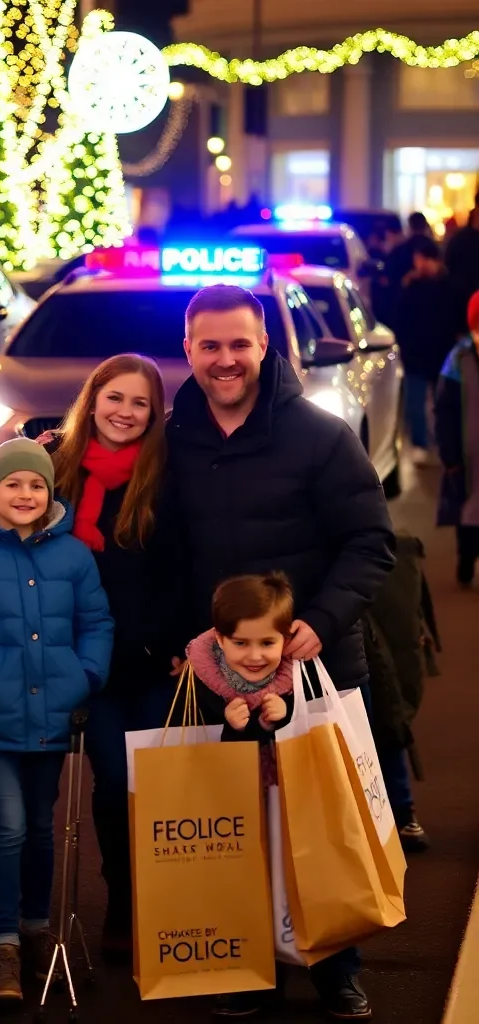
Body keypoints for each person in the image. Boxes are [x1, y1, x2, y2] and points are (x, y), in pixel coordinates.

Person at [167, 283, 396, 1020]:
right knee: (228, 832)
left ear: (266, 346)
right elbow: (151, 546)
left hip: (314, 669)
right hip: (214, 678)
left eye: (240, 344)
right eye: (211, 345)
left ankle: (337, 967)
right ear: (189, 350)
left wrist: (322, 621)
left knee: (321, 825)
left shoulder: (321, 436)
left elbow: (371, 542)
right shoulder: (169, 442)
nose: (226, 359)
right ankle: (240, 962)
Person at [0, 438, 114, 1005]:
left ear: (50, 492)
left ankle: (38, 927)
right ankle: (4, 944)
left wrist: (86, 675)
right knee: (6, 826)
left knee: (42, 825)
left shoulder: (73, 556)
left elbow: (97, 622)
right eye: (13, 484)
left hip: (54, 710)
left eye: (36, 484)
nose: (26, 494)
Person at [37, 353, 181, 962]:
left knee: (150, 788)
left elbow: (181, 567)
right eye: (115, 398)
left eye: (140, 403)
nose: (125, 412)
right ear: (92, 400)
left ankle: (152, 903)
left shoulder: (165, 477)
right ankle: (121, 902)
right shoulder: (56, 470)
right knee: (114, 779)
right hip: (83, 664)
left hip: (147, 658)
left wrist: (173, 640)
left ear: (154, 414)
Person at [187, 572, 296, 767]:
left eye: (267, 643)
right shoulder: (201, 684)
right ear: (220, 640)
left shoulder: (296, 681)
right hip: (227, 792)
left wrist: (283, 718)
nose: (255, 656)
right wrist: (232, 728)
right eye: (240, 643)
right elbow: (196, 752)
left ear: (285, 641)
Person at [394, 237, 469, 463]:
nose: (420, 265)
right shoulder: (412, 287)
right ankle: (421, 443)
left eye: (423, 260)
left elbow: (460, 322)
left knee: (443, 403)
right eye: (418, 261)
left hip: (442, 354)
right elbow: (400, 319)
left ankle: (442, 443)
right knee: (416, 402)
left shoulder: (452, 288)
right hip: (417, 354)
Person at [435, 289, 479, 588]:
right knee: (469, 516)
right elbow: (444, 412)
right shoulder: (458, 361)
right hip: (468, 458)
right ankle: (466, 558)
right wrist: (449, 456)